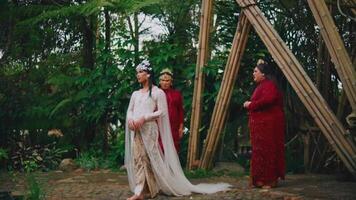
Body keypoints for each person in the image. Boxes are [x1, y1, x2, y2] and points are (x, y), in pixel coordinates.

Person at [125, 60, 231, 200]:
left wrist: (144, 117)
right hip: (137, 130)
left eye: (140, 72)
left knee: (149, 158)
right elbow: (130, 110)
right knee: (138, 158)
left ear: (148, 74)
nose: (138, 75)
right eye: (137, 72)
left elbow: (162, 112)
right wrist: (131, 119)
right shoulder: (135, 94)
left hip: (149, 129)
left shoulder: (157, 93)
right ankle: (142, 190)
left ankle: (147, 189)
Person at [243, 59, 285, 189]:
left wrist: (251, 105)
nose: (253, 74)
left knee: (268, 151)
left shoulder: (269, 85)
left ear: (263, 74)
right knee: (260, 152)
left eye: (256, 71)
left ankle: (269, 180)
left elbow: (268, 99)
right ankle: (260, 179)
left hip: (269, 125)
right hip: (261, 127)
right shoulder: (262, 86)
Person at [158, 68, 184, 152]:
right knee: (160, 145)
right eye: (163, 80)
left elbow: (180, 110)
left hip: (174, 125)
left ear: (171, 82)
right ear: (159, 81)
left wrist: (181, 127)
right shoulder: (156, 93)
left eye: (167, 81)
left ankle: (171, 165)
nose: (165, 83)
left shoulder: (177, 94)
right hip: (160, 124)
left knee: (173, 145)